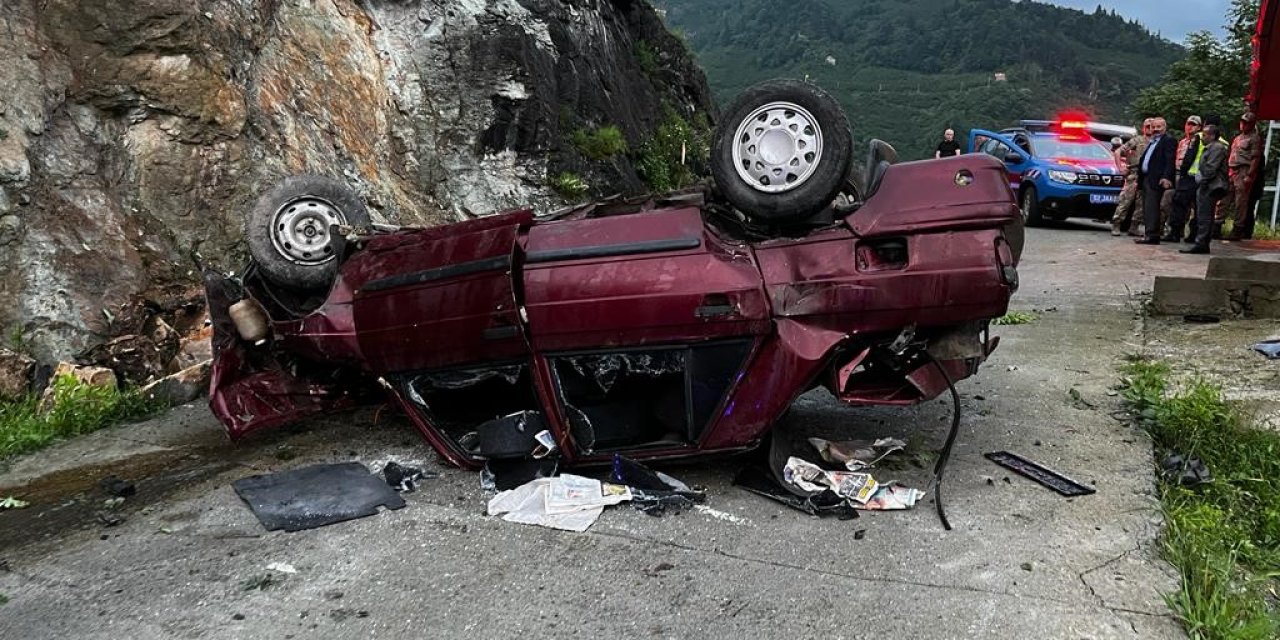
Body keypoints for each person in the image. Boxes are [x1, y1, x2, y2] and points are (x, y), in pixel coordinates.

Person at [1182, 124, 1230, 254]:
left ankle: (1201, 243)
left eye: (1205, 134)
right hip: (1207, 185)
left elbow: (1211, 168)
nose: (1202, 137)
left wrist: (1203, 182)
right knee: (1203, 215)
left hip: (1210, 186)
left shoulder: (1217, 148)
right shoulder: (1210, 148)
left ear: (1212, 136)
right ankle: (1202, 242)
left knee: (1205, 216)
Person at [1134, 117, 1177, 245]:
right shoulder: (1153, 141)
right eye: (1153, 127)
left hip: (1156, 179)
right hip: (1146, 178)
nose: (1156, 129)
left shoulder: (1168, 140)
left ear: (1165, 128)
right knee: (1147, 207)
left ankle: (1152, 235)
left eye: (1159, 127)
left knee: (1152, 207)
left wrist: (1166, 177)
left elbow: (1170, 160)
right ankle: (1148, 233)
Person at [1224, 112, 1263, 241]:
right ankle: (1218, 224)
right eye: (1242, 122)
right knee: (1225, 198)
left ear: (1252, 124)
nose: (1243, 125)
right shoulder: (1237, 138)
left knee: (1241, 201)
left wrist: (1250, 175)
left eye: (1246, 123)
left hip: (1243, 170)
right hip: (1232, 169)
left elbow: (1255, 158)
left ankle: (1238, 228)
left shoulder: (1254, 138)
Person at [1165, 115, 1203, 242]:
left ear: (1199, 127)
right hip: (1179, 175)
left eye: (1193, 124)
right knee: (1176, 202)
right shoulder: (1182, 142)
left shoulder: (1200, 140)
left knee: (1192, 206)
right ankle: (1175, 231)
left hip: (1193, 177)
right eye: (1188, 124)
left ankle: (1189, 233)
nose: (1190, 127)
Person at [1111, 119, 1152, 236]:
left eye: (1152, 126)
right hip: (1134, 173)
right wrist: (1120, 168)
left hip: (1147, 175)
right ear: (1143, 128)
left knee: (1141, 203)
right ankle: (1116, 224)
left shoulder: (1155, 142)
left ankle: (1134, 226)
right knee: (1125, 200)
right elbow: (1118, 151)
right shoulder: (1137, 140)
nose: (1150, 129)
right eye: (1147, 126)